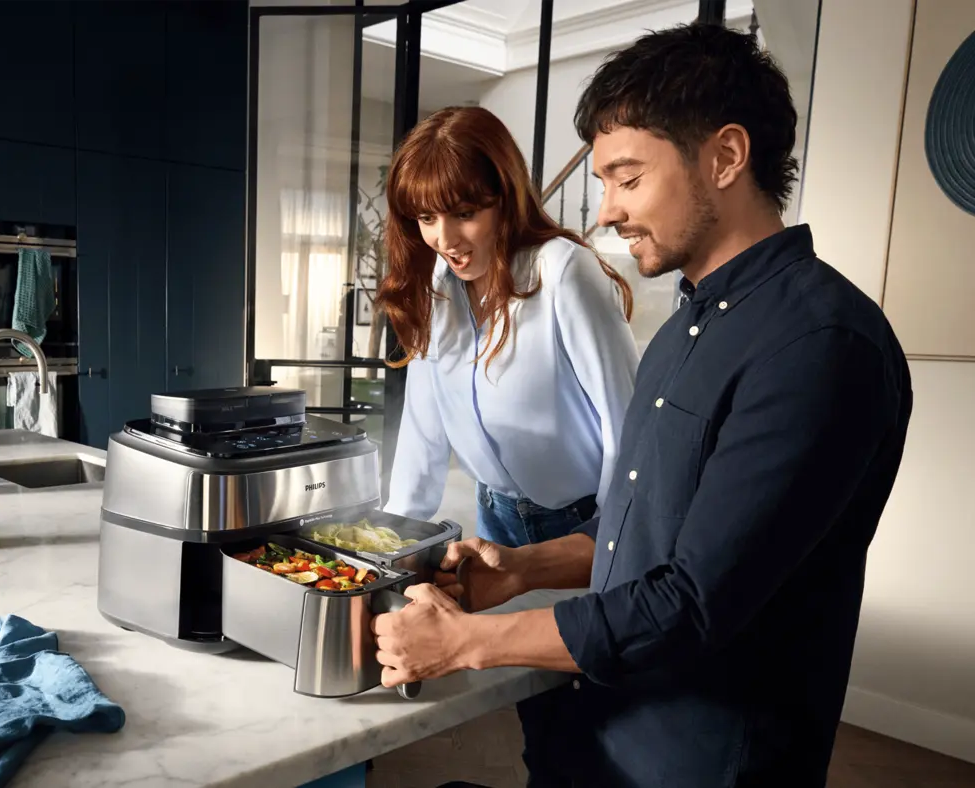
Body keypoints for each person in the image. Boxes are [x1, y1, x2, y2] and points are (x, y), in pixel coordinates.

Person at [371, 22, 914, 787]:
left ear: (726, 156)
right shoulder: (688, 327)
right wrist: (521, 567)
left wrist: (467, 643)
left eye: (626, 180)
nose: (604, 213)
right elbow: (641, 530)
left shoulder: (821, 346)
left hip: (700, 762)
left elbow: (692, 602)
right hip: (610, 731)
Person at [375, 105, 640, 786]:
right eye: (426, 218)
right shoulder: (434, 292)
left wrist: (616, 547)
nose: (445, 238)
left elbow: (628, 430)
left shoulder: (562, 273)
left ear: (505, 196)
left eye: (464, 212)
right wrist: (389, 555)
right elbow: (422, 440)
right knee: (537, 715)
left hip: (583, 527)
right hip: (496, 523)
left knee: (599, 714)